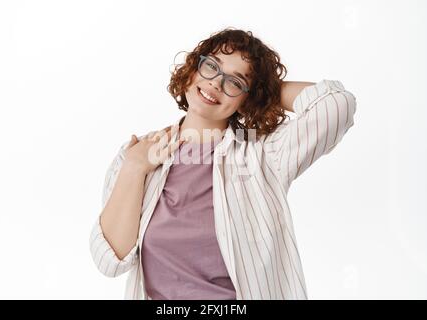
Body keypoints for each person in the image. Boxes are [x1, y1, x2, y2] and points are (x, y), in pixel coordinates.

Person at [89, 28, 357, 300]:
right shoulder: (137, 154)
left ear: (247, 98)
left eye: (235, 82)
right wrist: (135, 168)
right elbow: (110, 260)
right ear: (193, 69)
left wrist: (263, 92)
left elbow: (337, 105)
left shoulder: (264, 155)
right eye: (211, 67)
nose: (216, 83)